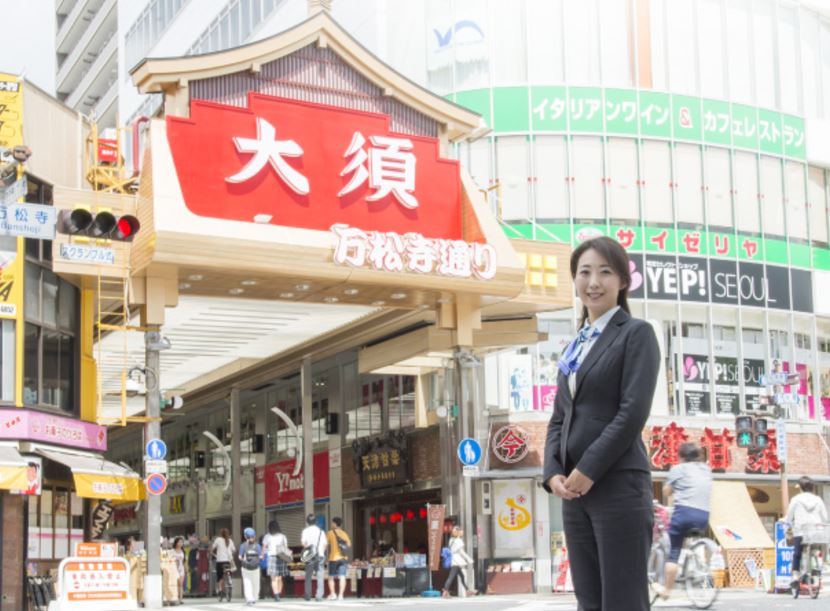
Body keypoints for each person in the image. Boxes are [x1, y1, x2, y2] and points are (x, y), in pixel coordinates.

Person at [543, 236, 660, 611]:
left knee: (623, 601)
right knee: (589, 601)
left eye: (605, 272)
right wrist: (553, 473)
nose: (594, 282)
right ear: (575, 280)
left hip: (618, 487)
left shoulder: (636, 334)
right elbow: (559, 416)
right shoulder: (575, 344)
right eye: (585, 272)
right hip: (574, 495)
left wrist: (588, 469)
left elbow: (632, 413)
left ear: (624, 281)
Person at [655, 442, 712, 599]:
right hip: (703, 516)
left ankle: (666, 590)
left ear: (681, 456)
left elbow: (666, 491)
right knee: (693, 547)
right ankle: (701, 580)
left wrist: (671, 489)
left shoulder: (678, 469)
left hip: (684, 513)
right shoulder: (706, 469)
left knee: (673, 551)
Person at [786, 476, 828, 587]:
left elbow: (789, 517)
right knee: (815, 548)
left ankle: (795, 576)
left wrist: (787, 521)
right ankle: (817, 564)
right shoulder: (818, 499)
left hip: (801, 531)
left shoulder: (796, 499)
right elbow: (825, 518)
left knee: (797, 554)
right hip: (815, 532)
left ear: (800, 487)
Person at [441, 526, 476, 598]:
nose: (462, 532)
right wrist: (469, 559)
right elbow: (461, 552)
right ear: (458, 532)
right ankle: (445, 592)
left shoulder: (451, 540)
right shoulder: (458, 541)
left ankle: (467, 591)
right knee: (451, 577)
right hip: (456, 561)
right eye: (460, 531)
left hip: (454, 560)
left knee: (462, 576)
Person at [301, 514, 327, 602]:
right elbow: (325, 544)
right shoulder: (321, 531)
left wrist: (308, 550)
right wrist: (321, 552)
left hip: (310, 556)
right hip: (320, 555)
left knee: (308, 576)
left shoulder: (305, 531)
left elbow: (304, 544)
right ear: (316, 521)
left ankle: (308, 595)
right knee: (320, 575)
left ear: (307, 522)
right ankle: (319, 596)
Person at [262, 520, 289, 602]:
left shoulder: (267, 536)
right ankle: (279, 594)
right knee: (279, 578)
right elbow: (286, 548)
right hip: (281, 557)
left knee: (273, 579)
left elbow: (264, 547)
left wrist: (262, 556)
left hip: (271, 557)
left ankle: (276, 595)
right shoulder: (282, 536)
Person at [326, 517, 352, 600]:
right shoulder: (344, 533)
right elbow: (349, 545)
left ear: (334, 524)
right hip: (343, 558)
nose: (331, 524)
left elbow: (325, 544)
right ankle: (341, 595)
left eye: (332, 523)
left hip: (333, 558)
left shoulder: (330, 533)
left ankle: (333, 594)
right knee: (342, 577)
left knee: (331, 577)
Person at [211, 528, 235, 601]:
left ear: (221, 533)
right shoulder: (230, 541)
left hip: (220, 561)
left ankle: (221, 592)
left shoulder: (218, 539)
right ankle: (229, 582)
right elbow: (234, 550)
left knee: (220, 578)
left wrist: (215, 555)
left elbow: (212, 549)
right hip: (228, 561)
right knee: (228, 574)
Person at [239, 528, 262, 606]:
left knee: (247, 583)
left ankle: (249, 599)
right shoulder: (257, 546)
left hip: (246, 568)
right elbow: (261, 556)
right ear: (254, 536)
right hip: (256, 568)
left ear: (245, 536)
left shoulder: (243, 546)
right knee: (256, 583)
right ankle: (255, 598)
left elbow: (240, 557)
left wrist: (243, 560)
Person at [171, 536, 186, 603]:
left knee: (181, 584)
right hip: (174, 569)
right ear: (176, 543)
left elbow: (184, 561)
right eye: (179, 542)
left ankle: (181, 599)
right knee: (175, 584)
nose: (181, 543)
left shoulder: (183, 551)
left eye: (182, 542)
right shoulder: (172, 551)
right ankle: (175, 597)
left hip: (181, 569)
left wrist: (185, 568)